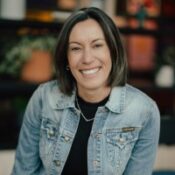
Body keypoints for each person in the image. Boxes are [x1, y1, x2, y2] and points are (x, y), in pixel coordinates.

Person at [12, 7, 160, 175]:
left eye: (97, 45)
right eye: (76, 48)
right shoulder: (43, 98)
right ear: (66, 58)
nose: (87, 58)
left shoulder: (144, 111)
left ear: (113, 51)